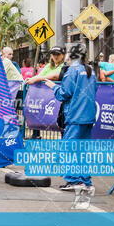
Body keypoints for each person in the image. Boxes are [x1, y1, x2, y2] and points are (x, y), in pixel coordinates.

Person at [44, 44, 97, 192]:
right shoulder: (90, 71)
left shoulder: (71, 71)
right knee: (83, 150)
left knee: (68, 149)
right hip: (88, 116)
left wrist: (52, 86)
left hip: (75, 116)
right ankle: (85, 181)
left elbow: (64, 93)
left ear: (70, 55)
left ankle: (74, 181)